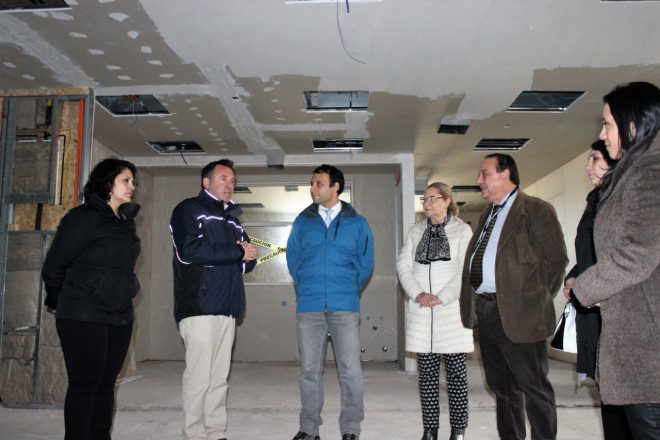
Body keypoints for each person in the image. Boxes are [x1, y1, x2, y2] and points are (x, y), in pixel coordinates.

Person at [572, 81, 660, 440]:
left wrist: (587, 286)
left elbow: (637, 252)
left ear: (632, 124)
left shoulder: (650, 170)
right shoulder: (636, 168)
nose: (602, 133)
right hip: (638, 336)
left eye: (607, 124)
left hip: (648, 343)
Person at [459, 153, 568, 440]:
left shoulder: (535, 209)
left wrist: (533, 300)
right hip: (487, 311)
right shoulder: (488, 213)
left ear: (505, 174)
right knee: (502, 388)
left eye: (484, 174)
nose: (478, 180)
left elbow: (555, 262)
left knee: (534, 387)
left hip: (522, 315)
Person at [41, 158, 141, 440]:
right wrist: (65, 302)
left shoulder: (125, 222)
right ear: (107, 182)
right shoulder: (82, 218)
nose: (132, 186)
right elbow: (53, 268)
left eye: (133, 182)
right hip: (83, 314)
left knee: (106, 384)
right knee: (85, 385)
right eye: (125, 180)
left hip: (119, 315)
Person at [169, 159, 257, 440]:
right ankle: (194, 433)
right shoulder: (188, 210)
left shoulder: (232, 219)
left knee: (219, 377)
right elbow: (190, 250)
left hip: (228, 306)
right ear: (206, 182)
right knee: (199, 377)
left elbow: (246, 261)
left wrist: (246, 256)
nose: (230, 184)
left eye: (232, 180)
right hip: (199, 306)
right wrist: (237, 252)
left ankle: (216, 431)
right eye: (223, 178)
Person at [286, 164, 374, 440]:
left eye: (319, 183)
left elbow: (366, 262)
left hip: (344, 305)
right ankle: (309, 428)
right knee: (309, 371)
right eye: (312, 183)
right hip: (309, 305)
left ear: (335, 187)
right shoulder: (303, 221)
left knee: (350, 371)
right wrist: (305, 286)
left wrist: (349, 289)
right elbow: (293, 258)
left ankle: (351, 428)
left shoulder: (358, 223)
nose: (313, 188)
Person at [562, 140, 632, 439]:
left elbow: (629, 254)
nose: (587, 166)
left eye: (594, 159)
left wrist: (589, 285)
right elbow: (591, 253)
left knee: (631, 401)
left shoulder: (627, 198)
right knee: (608, 394)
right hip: (594, 309)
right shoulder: (596, 200)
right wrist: (573, 277)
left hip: (618, 310)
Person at [396, 182, 474, 440]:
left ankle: (458, 431)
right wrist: (418, 294)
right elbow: (403, 266)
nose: (427, 204)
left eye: (433, 198)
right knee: (427, 377)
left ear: (447, 201)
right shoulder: (415, 231)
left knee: (457, 377)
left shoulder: (462, 231)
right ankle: (430, 430)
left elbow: (465, 270)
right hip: (421, 311)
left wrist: (441, 297)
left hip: (450, 311)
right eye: (424, 199)